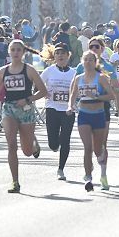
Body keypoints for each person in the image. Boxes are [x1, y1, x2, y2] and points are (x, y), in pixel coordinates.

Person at [0, 40, 48, 194]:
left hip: (26, 109)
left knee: (27, 151)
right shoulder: (3, 71)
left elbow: (43, 91)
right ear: (9, 52)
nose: (16, 52)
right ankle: (15, 182)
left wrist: (28, 99)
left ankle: (34, 142)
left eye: (18, 50)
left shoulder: (29, 70)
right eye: (13, 50)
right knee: (11, 144)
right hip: (9, 108)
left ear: (23, 52)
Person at [68, 50, 115, 192]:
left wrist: (96, 97)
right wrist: (70, 106)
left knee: (98, 149)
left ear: (95, 63)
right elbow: (73, 95)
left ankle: (103, 174)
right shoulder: (78, 78)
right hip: (84, 114)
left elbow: (111, 96)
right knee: (87, 147)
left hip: (99, 114)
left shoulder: (100, 78)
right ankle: (88, 177)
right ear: (82, 62)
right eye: (86, 59)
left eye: (91, 60)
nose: (88, 62)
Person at [40, 45, 76, 181]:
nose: (60, 56)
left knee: (65, 140)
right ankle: (55, 145)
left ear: (68, 55)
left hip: (68, 110)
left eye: (63, 53)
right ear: (54, 56)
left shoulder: (73, 73)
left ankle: (61, 169)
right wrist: (44, 91)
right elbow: (37, 83)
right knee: (53, 143)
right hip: (52, 109)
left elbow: (79, 88)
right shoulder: (49, 71)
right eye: (57, 53)